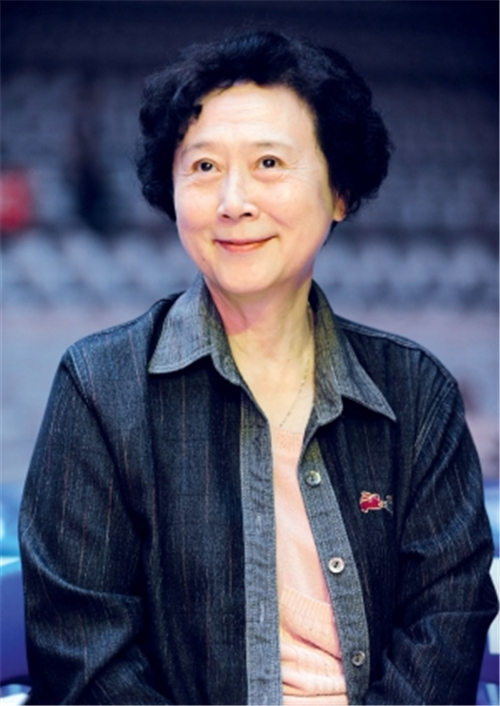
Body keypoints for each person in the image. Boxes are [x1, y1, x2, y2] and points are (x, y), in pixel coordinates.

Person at [19, 30, 497, 705]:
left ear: (340, 191)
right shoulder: (99, 389)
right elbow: (84, 659)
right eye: (204, 166)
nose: (233, 201)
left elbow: (449, 623)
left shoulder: (418, 393)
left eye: (269, 162)